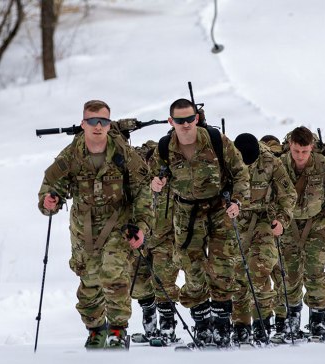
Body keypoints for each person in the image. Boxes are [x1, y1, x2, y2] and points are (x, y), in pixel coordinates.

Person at [37, 100, 152, 350]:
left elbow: (144, 189)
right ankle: (95, 330)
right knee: (89, 283)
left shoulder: (123, 154)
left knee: (113, 272)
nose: (98, 126)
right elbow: (50, 186)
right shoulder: (71, 155)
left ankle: (118, 330)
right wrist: (50, 202)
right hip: (84, 227)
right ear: (83, 124)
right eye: (92, 121)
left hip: (118, 223)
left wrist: (142, 226)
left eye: (103, 121)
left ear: (109, 125)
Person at [150, 99, 250, 348]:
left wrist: (237, 201)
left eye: (190, 119)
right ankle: (203, 328)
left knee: (223, 268)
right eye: (179, 121)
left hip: (219, 209)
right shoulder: (164, 148)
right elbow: (151, 176)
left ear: (196, 118)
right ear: (171, 122)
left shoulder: (216, 141)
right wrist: (155, 184)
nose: (185, 125)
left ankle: (222, 329)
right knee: (192, 270)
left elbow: (241, 173)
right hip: (186, 213)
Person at [276, 126, 325, 343]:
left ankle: (318, 320)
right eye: (296, 151)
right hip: (288, 224)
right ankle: (292, 320)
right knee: (289, 274)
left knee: (315, 271)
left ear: (311, 148)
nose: (300, 156)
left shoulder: (323, 166)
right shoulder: (279, 165)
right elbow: (270, 196)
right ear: (290, 146)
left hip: (316, 223)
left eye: (305, 151)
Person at [230, 133, 297, 344]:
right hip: (235, 221)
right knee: (237, 275)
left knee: (260, 268)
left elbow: (288, 195)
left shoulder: (271, 162)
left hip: (264, 220)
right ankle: (240, 325)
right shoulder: (227, 159)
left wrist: (282, 220)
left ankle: (262, 321)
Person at [129, 140, 182, 345]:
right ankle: (150, 326)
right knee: (139, 285)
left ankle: (167, 329)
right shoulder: (137, 175)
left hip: (166, 238)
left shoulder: (174, 174)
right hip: (141, 238)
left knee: (165, 283)